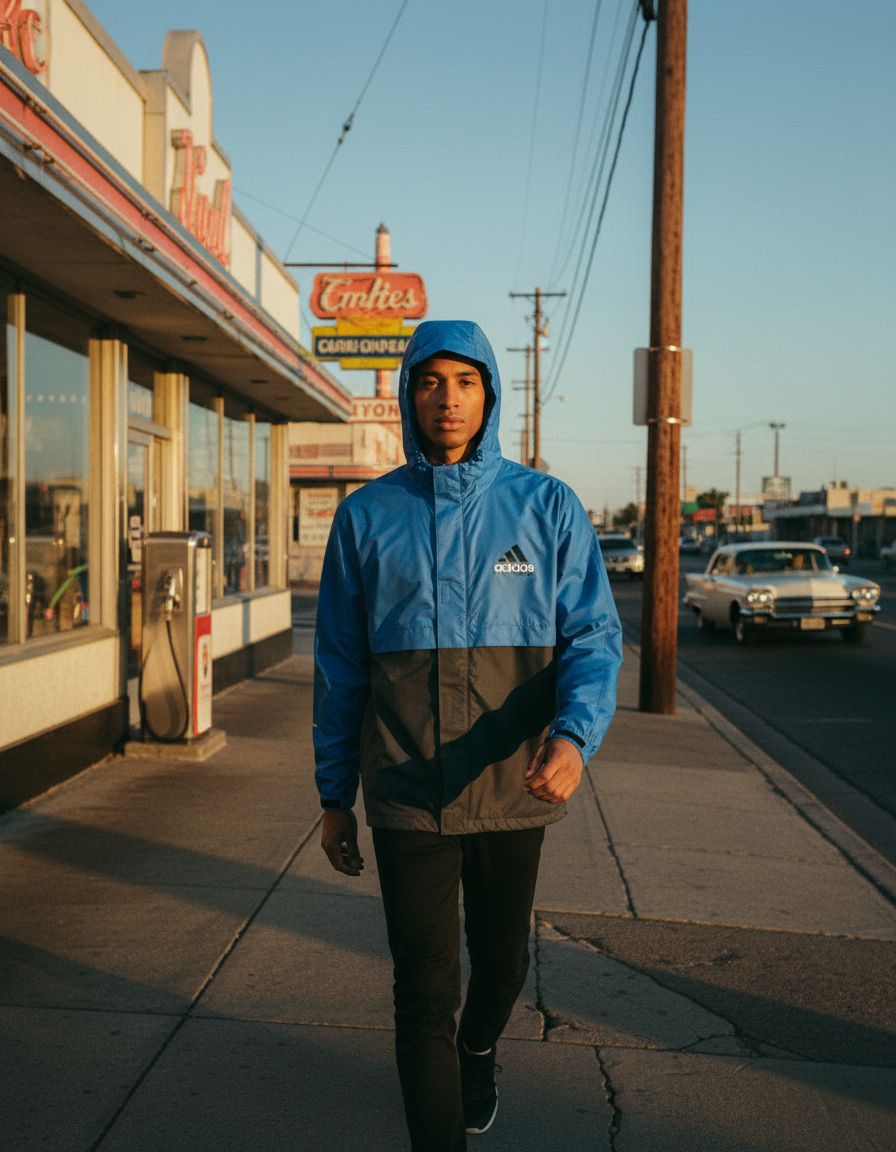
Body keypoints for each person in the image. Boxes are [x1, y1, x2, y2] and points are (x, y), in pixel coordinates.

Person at [313, 320, 622, 1150]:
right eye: (428, 381)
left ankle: (479, 1047)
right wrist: (333, 796)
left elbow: (592, 637)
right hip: (407, 790)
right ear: (408, 393)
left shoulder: (545, 506)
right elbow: (341, 669)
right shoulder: (366, 517)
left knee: (503, 970)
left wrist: (573, 738)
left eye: (464, 382)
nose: (446, 399)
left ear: (489, 395)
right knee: (422, 990)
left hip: (512, 787)